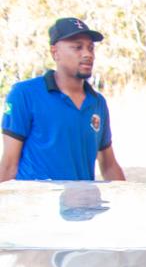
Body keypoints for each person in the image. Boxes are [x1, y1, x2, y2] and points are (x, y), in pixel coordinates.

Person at [1, 17, 125, 182]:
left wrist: (126, 194)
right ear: (55, 52)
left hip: (82, 198)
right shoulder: (24, 94)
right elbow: (9, 165)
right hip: (37, 198)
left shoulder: (97, 103)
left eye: (90, 48)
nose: (87, 54)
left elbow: (109, 165)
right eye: (77, 47)